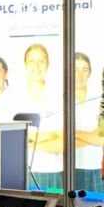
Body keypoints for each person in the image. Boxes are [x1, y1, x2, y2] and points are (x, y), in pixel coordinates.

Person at [14, 42, 62, 191]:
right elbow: (11, 140)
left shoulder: (59, 97)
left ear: (48, 64)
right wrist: (48, 136)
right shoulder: (12, 98)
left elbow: (60, 144)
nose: (37, 66)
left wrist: (27, 140)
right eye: (32, 61)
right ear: (25, 65)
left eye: (41, 61)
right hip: (19, 173)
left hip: (51, 173)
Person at [74, 52, 104, 193]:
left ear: (90, 73)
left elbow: (101, 139)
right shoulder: (61, 100)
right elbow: (61, 139)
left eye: (84, 70)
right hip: (72, 169)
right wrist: (91, 137)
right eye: (75, 70)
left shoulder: (99, 100)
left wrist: (73, 133)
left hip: (96, 168)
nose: (80, 75)